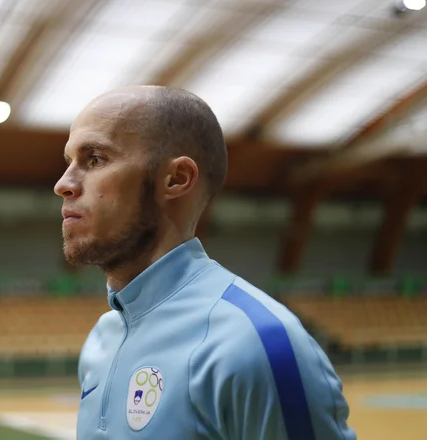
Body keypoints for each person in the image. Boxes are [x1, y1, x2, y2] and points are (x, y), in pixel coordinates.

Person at [54, 85, 356, 439]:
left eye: (95, 159)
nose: (63, 184)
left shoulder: (257, 345)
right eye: (69, 162)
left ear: (177, 179)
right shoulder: (102, 339)